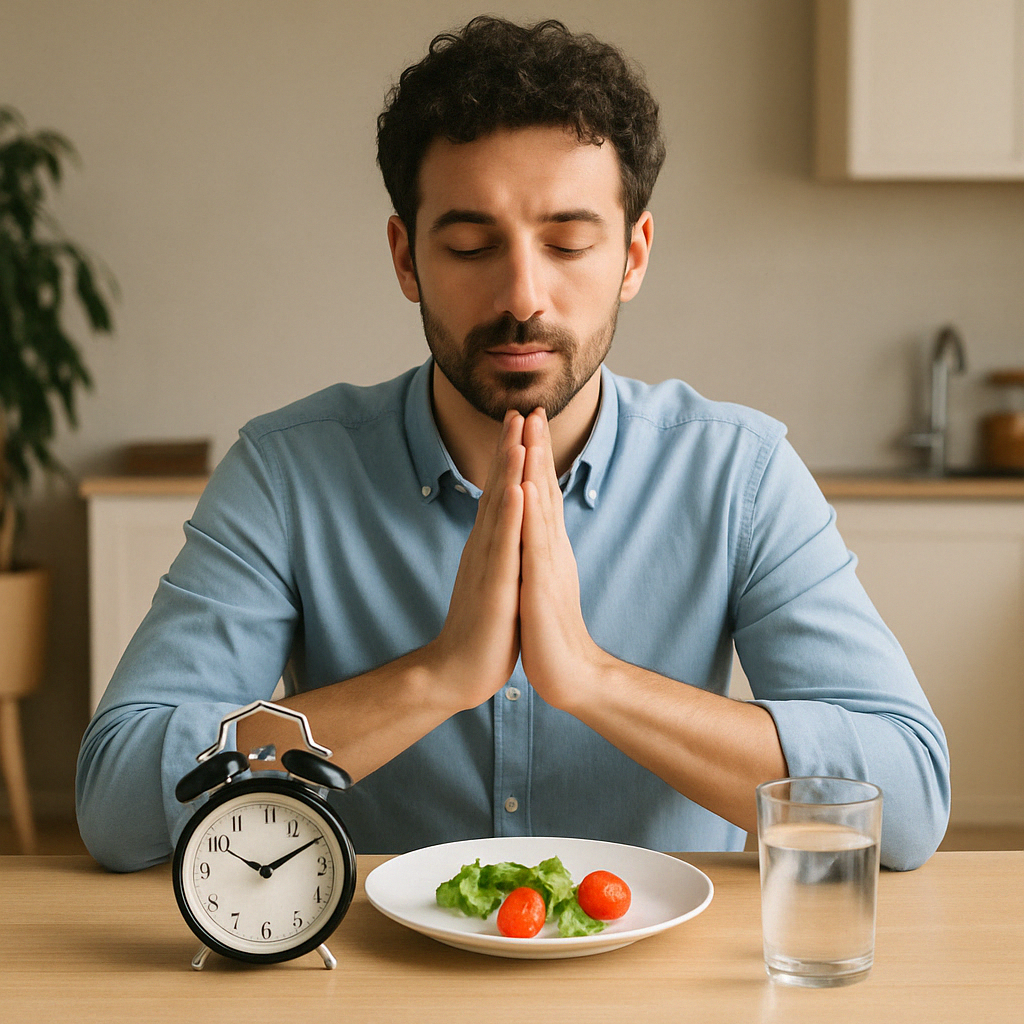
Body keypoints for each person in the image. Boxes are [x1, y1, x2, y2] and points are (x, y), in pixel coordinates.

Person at [76, 16, 949, 873]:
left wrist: (596, 681)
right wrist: (438, 676)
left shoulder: (741, 475)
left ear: (634, 256)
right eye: (469, 244)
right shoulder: (286, 472)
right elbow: (116, 802)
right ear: (406, 257)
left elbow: (905, 804)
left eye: (568, 242)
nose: (523, 294)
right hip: (374, 988)